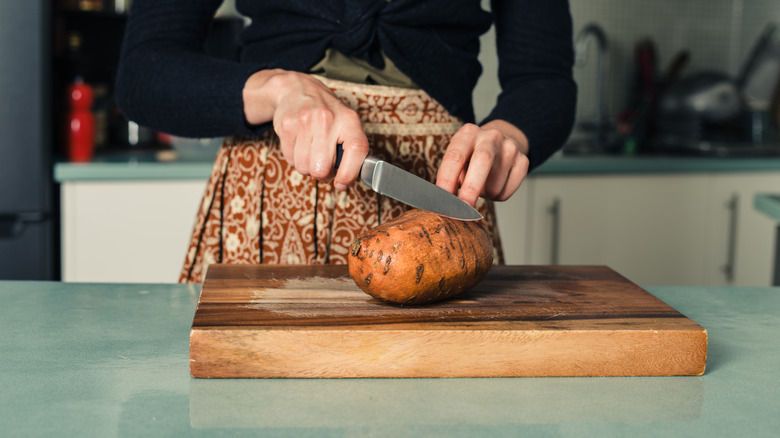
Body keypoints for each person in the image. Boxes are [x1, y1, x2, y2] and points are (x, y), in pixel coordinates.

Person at [115, 0, 577, 283]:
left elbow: (544, 81)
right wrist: (276, 90)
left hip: (440, 198)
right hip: (268, 189)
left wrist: (508, 135)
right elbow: (144, 73)